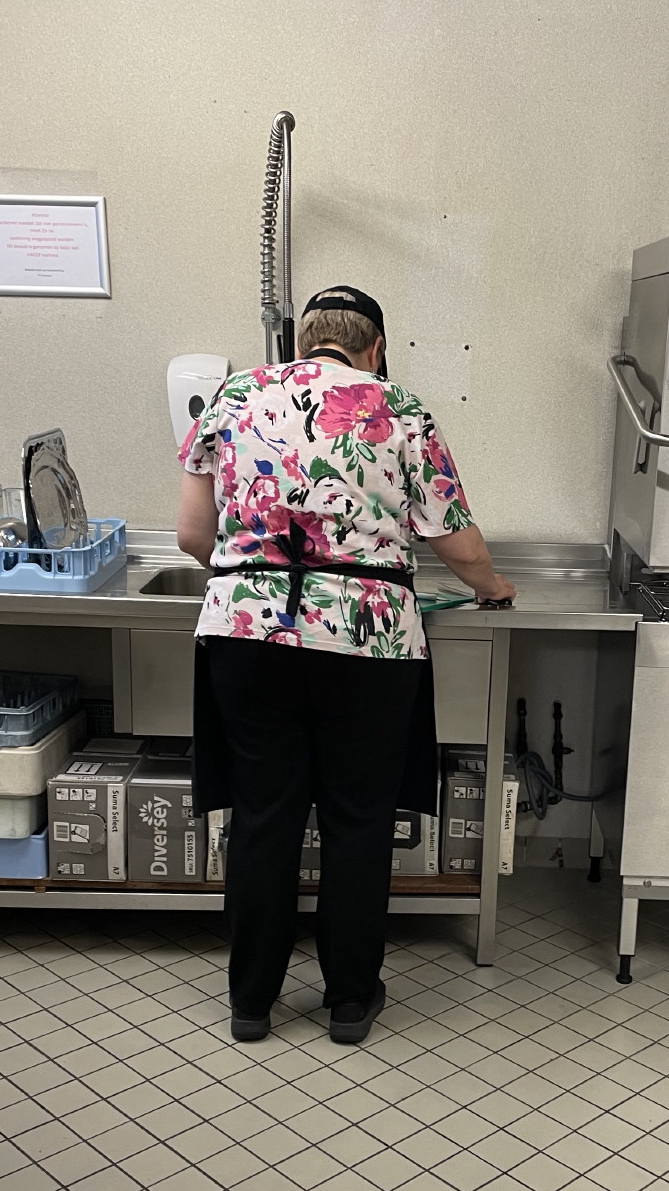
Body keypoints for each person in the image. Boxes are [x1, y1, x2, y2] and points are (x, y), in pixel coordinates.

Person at [177, 285, 515, 1045]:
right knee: (357, 821)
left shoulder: (232, 398)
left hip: (247, 639)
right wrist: (492, 586)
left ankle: (252, 1002)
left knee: (263, 817)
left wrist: (253, 586)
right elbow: (457, 543)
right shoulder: (400, 408)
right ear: (375, 349)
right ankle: (351, 1002)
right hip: (367, 644)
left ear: (301, 343)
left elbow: (192, 535)